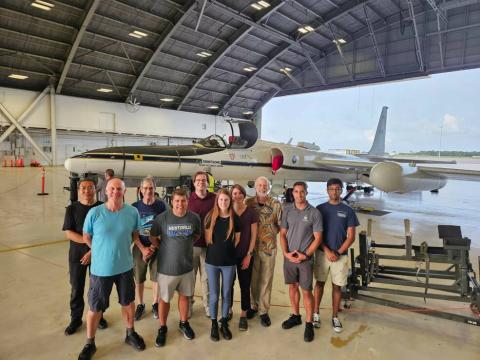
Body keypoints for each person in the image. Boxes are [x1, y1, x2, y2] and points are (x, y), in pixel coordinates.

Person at [77, 178, 149, 360]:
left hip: (125, 267)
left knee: (128, 303)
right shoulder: (95, 213)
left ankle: (130, 333)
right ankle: (89, 342)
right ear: (106, 191)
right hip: (101, 270)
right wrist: (97, 249)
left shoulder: (132, 212)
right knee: (95, 307)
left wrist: (134, 248)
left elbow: (135, 234)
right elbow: (86, 235)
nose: (116, 192)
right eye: (112, 189)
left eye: (119, 189)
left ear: (124, 192)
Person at [149, 188, 201, 347]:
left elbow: (196, 235)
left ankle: (183, 323)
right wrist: (163, 247)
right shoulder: (162, 218)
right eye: (177, 201)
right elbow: (153, 236)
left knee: (185, 296)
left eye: (183, 200)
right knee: (164, 299)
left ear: (187, 201)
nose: (180, 204)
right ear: (172, 201)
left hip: (186, 267)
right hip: (166, 268)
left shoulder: (194, 218)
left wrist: (184, 246)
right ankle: (163, 327)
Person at [62, 178, 107, 336]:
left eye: (90, 187)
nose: (87, 191)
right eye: (83, 188)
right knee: (77, 288)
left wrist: (92, 251)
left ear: (96, 189)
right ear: (78, 190)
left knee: (98, 289)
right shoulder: (72, 209)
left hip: (98, 255)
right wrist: (89, 244)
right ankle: (76, 319)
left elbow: (105, 234)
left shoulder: (103, 208)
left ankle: (98, 316)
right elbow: (69, 232)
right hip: (77, 257)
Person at [314, 178, 359, 333]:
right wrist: (327, 250)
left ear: (342, 190)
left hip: (341, 256)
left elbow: (351, 236)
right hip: (322, 254)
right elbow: (316, 235)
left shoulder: (348, 211)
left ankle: (334, 317)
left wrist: (338, 252)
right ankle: (315, 314)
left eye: (337, 189)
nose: (334, 192)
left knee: (337, 286)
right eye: (331, 189)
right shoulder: (319, 209)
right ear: (327, 190)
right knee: (319, 284)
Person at [280, 181, 322, 342]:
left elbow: (318, 238)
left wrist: (306, 255)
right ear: (293, 193)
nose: (299, 195)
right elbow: (283, 234)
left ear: (306, 192)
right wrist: (286, 253)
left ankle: (309, 323)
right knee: (292, 286)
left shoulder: (314, 213)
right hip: (290, 257)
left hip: (305, 259)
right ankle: (295, 315)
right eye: (296, 192)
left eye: (302, 191)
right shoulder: (287, 211)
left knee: (306, 291)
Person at [245, 176, 282, 327]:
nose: (262, 187)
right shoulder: (248, 204)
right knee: (253, 279)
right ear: (255, 187)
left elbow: (280, 225)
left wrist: (269, 235)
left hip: (268, 248)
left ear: (268, 187)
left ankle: (264, 311)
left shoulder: (276, 204)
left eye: (264, 185)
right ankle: (254, 306)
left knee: (266, 280)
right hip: (252, 248)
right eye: (259, 185)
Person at [204, 189, 241, 341]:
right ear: (217, 201)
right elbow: (208, 240)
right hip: (212, 262)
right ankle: (214, 323)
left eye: (226, 200)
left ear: (230, 202)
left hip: (229, 263)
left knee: (226, 293)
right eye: (221, 200)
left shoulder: (235, 219)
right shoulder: (209, 217)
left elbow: (237, 240)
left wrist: (227, 252)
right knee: (213, 295)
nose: (223, 203)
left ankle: (224, 322)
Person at [131, 176, 167, 321]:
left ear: (155, 189)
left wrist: (152, 247)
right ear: (140, 190)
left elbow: (164, 229)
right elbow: (133, 232)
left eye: (151, 188)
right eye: (145, 188)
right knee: (139, 278)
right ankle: (140, 304)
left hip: (157, 247)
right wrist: (142, 249)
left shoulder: (161, 206)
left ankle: (155, 303)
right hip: (139, 247)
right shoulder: (134, 207)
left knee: (156, 278)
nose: (148, 191)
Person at [187, 171, 216, 317]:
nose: (201, 182)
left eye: (204, 180)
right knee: (190, 277)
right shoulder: (188, 199)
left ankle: (208, 305)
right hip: (191, 246)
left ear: (207, 182)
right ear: (194, 183)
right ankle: (189, 304)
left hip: (208, 246)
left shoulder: (215, 199)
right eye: (198, 180)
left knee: (206, 279)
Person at [230, 184, 258, 331]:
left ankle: (243, 314)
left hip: (245, 255)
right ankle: (227, 310)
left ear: (244, 195)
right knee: (228, 285)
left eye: (240, 193)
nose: (237, 196)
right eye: (234, 193)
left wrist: (249, 255)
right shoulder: (227, 210)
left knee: (244, 285)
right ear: (231, 195)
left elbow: (254, 236)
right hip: (229, 256)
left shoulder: (251, 212)